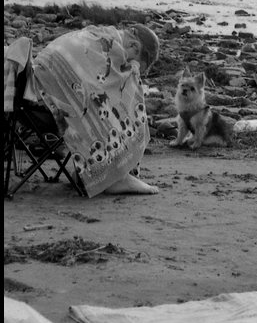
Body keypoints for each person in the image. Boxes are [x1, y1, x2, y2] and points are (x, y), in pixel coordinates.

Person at [22, 23, 160, 197]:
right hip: (48, 109)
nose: (127, 64)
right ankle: (117, 177)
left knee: (103, 101)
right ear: (134, 46)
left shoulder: (95, 34)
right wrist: (132, 78)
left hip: (29, 100)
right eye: (133, 60)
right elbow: (102, 87)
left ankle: (93, 173)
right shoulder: (111, 48)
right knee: (122, 100)